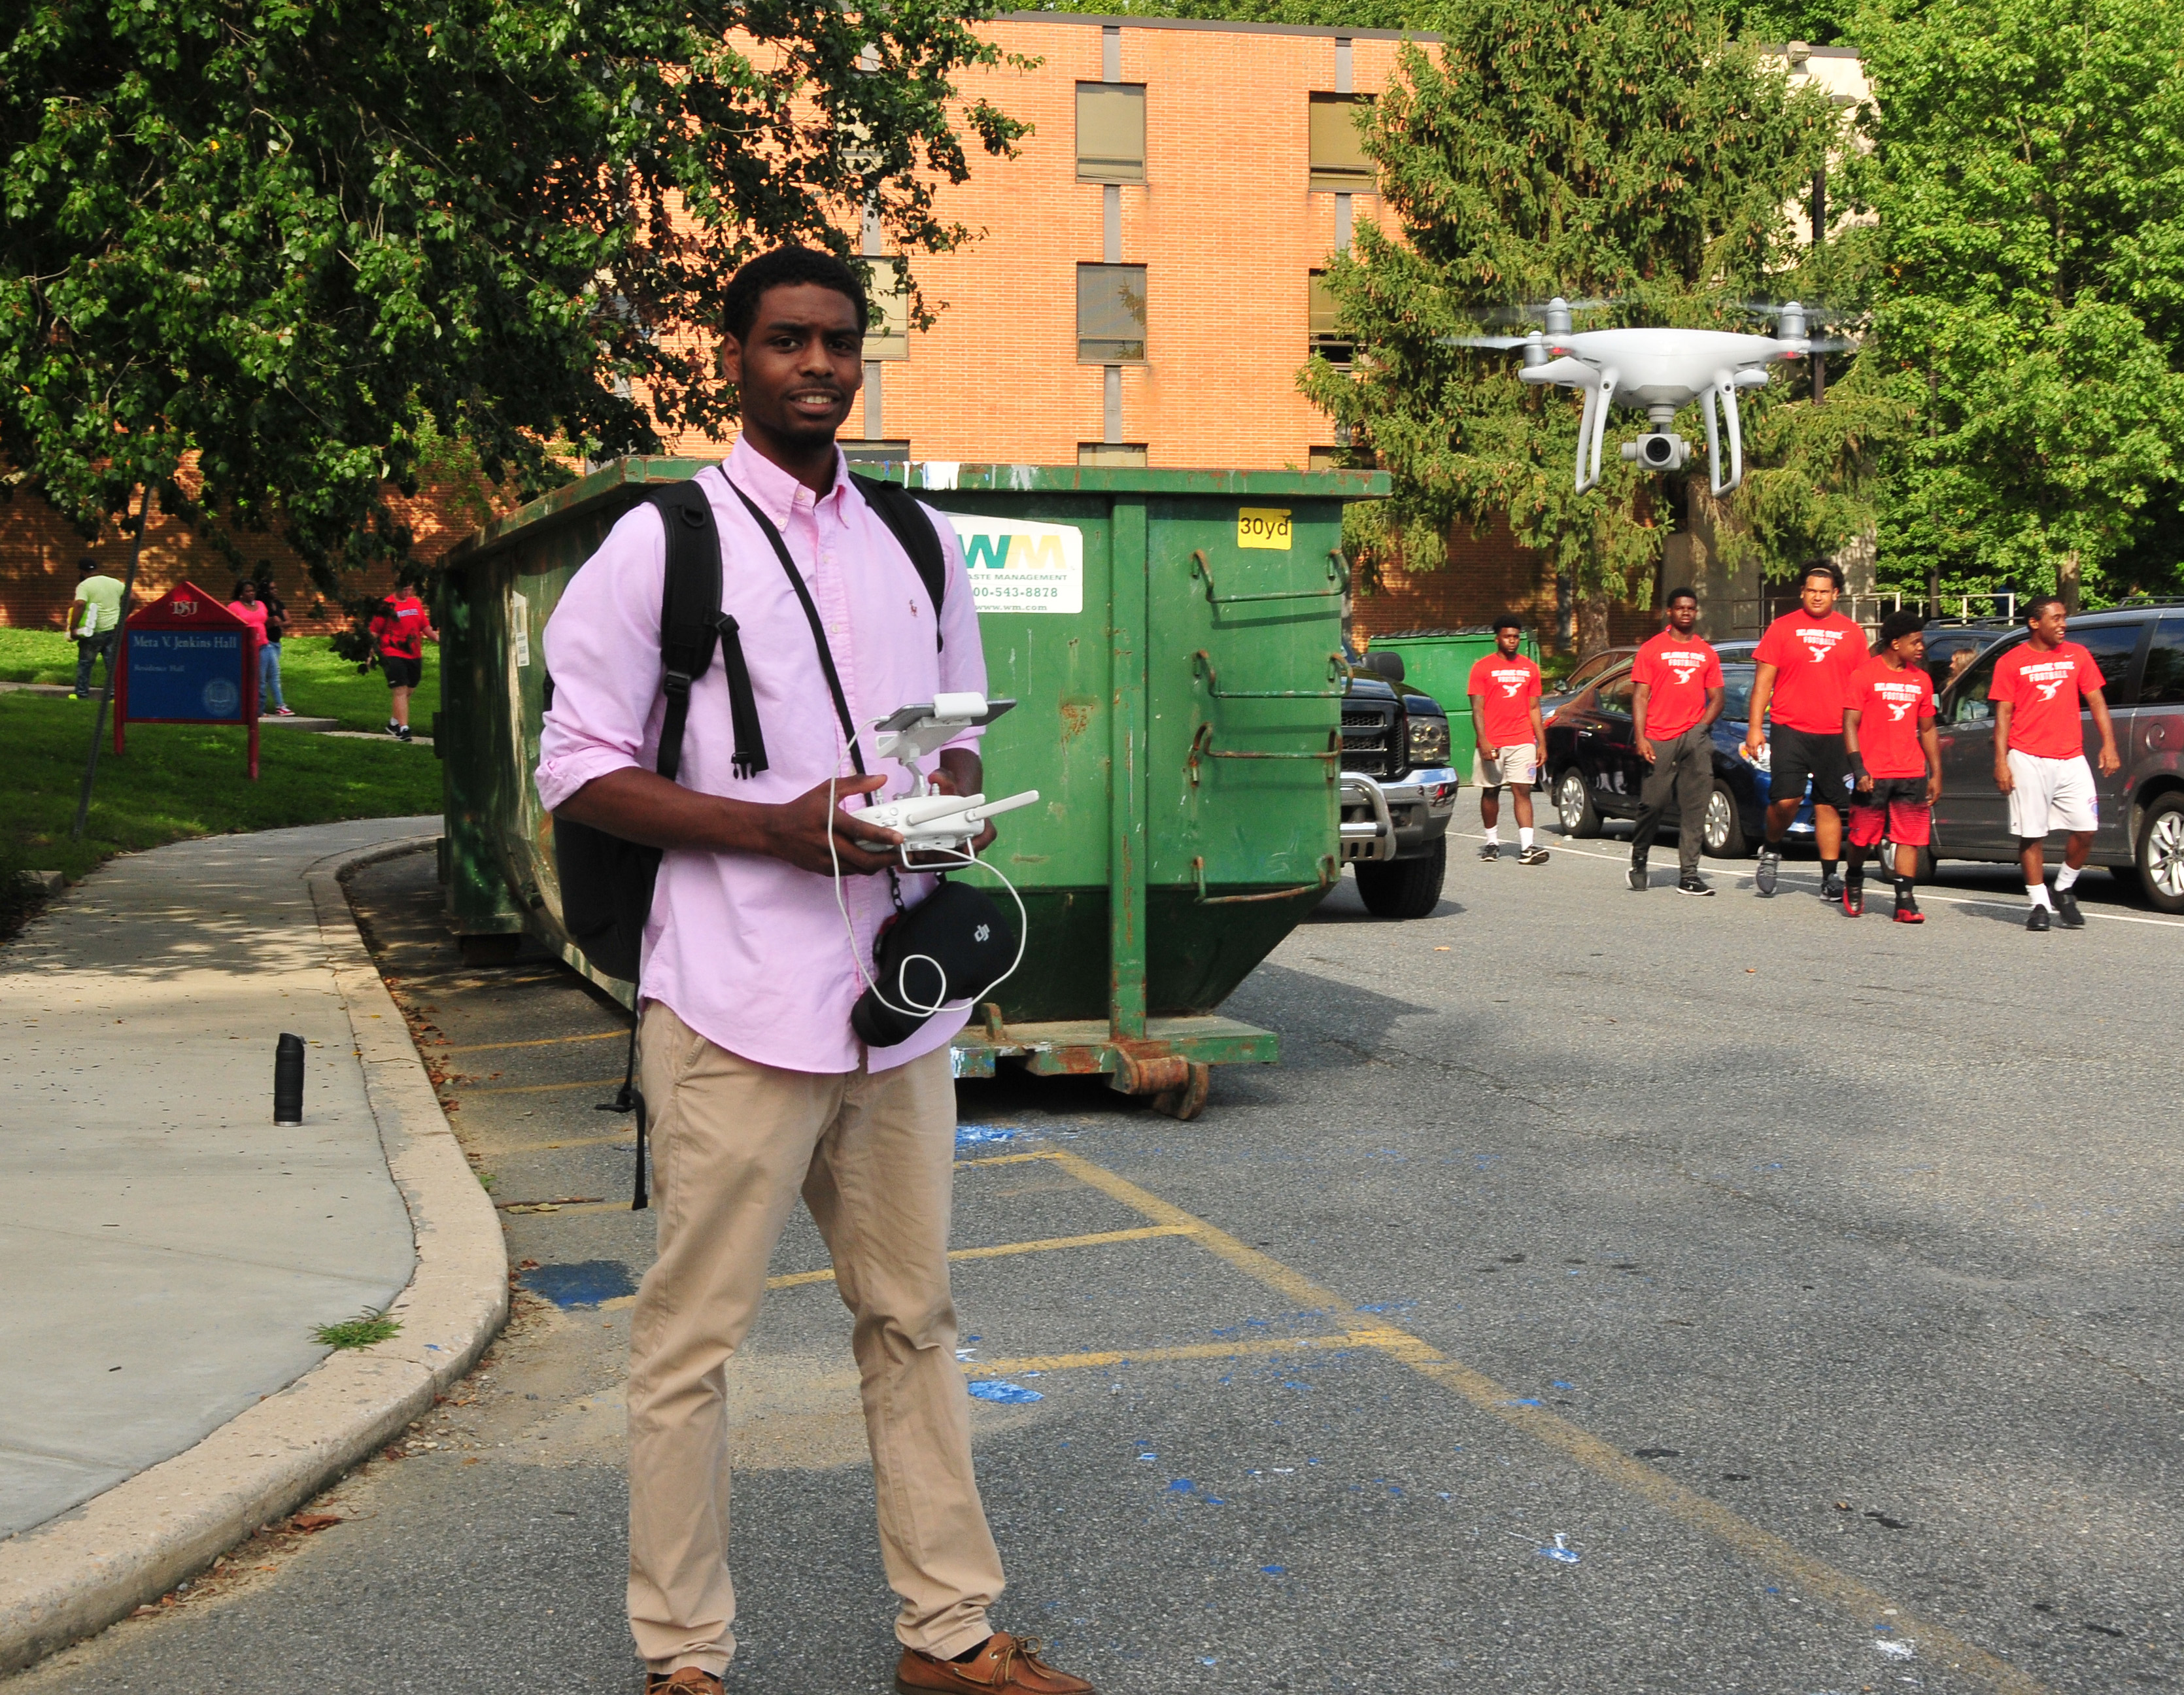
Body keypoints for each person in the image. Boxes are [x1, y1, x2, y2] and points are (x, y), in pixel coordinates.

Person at [536, 247, 1093, 1695]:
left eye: (838, 343)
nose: (816, 366)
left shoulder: (911, 538)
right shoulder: (668, 544)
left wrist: (948, 784)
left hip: (897, 1004)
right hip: (732, 995)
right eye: (785, 340)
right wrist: (768, 828)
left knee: (911, 1318)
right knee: (690, 1346)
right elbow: (577, 766)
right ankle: (683, 1659)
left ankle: (948, 1633)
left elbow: (959, 725)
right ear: (734, 356)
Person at [1988, 594, 2123, 932]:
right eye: (2057, 618)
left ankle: (2063, 887)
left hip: (2070, 757)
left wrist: (2109, 744)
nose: (2063, 624)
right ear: (2035, 623)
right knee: (2032, 834)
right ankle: (2038, 904)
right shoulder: (2011, 662)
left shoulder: (2078, 656)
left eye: (2064, 618)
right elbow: (2003, 714)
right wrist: (2001, 761)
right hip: (2027, 756)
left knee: (2087, 829)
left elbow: (2096, 700)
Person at [1741, 563, 1867, 900]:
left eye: (1824, 591)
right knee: (1787, 799)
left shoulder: (1852, 633)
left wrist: (1864, 735)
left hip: (1835, 732)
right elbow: (1763, 683)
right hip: (1790, 727)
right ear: (1802, 592)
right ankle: (1770, 850)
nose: (1817, 596)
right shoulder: (1782, 629)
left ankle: (1829, 877)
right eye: (1811, 590)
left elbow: (1863, 690)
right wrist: (1755, 728)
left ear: (1836, 595)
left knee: (1828, 805)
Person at [1841, 609, 1941, 923]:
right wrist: (1859, 769)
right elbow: (1849, 724)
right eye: (1916, 642)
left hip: (1910, 771)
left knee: (1909, 838)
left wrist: (1936, 772)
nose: (1921, 647)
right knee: (1862, 837)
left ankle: (1905, 900)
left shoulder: (1921, 680)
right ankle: (1854, 878)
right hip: (1873, 772)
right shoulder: (1864, 675)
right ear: (1895, 643)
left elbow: (1927, 729)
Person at [1627, 587, 1726, 895]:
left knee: (1696, 806)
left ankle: (1689, 874)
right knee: (1653, 804)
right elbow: (1641, 696)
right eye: (1680, 608)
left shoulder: (1706, 653)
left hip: (1694, 738)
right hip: (1659, 736)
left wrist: (1701, 727)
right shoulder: (1652, 649)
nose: (1686, 612)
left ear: (1695, 613)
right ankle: (1640, 857)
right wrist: (1641, 737)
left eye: (1691, 608)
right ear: (1669, 612)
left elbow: (1717, 697)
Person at [1467, 615, 1550, 865]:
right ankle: (1492, 842)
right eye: (1507, 636)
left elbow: (1534, 707)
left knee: (1522, 791)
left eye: (1516, 637)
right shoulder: (1482, 668)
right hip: (1493, 741)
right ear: (1497, 638)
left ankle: (1527, 848)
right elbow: (1477, 708)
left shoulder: (1529, 668)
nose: (1512, 641)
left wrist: (1541, 742)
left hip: (1522, 739)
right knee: (1491, 792)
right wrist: (1484, 741)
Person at [369, 575, 436, 742]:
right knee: (400, 690)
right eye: (404, 589)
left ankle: (393, 723)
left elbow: (425, 626)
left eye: (410, 589)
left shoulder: (415, 604)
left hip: (414, 654)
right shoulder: (386, 606)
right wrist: (369, 654)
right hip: (392, 652)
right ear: (397, 587)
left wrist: (439, 639)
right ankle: (404, 729)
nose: (408, 592)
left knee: (409, 691)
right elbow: (374, 631)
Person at [67, 556, 125, 699]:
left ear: (81, 571)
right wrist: (124, 617)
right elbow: (133, 597)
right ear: (97, 569)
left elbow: (79, 604)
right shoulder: (115, 583)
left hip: (92, 631)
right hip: (114, 629)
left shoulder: (85, 586)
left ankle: (82, 694)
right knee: (113, 665)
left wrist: (73, 628)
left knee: (86, 663)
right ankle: (115, 696)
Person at [256, 567, 294, 715]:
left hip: (277, 643)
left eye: (276, 588)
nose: (275, 591)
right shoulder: (261, 605)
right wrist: (272, 622)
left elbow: (289, 621)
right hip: (267, 643)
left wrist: (278, 623)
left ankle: (263, 706)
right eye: (272, 588)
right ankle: (279, 705)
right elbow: (262, 623)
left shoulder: (278, 604)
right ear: (265, 590)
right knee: (273, 674)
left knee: (268, 676)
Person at [227, 579, 270, 708]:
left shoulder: (261, 605)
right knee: (246, 678)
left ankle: (259, 710)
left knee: (261, 679)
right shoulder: (234, 607)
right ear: (241, 593)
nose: (251, 593)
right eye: (248, 591)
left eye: (253, 591)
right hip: (245, 647)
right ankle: (244, 707)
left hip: (263, 645)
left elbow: (265, 621)